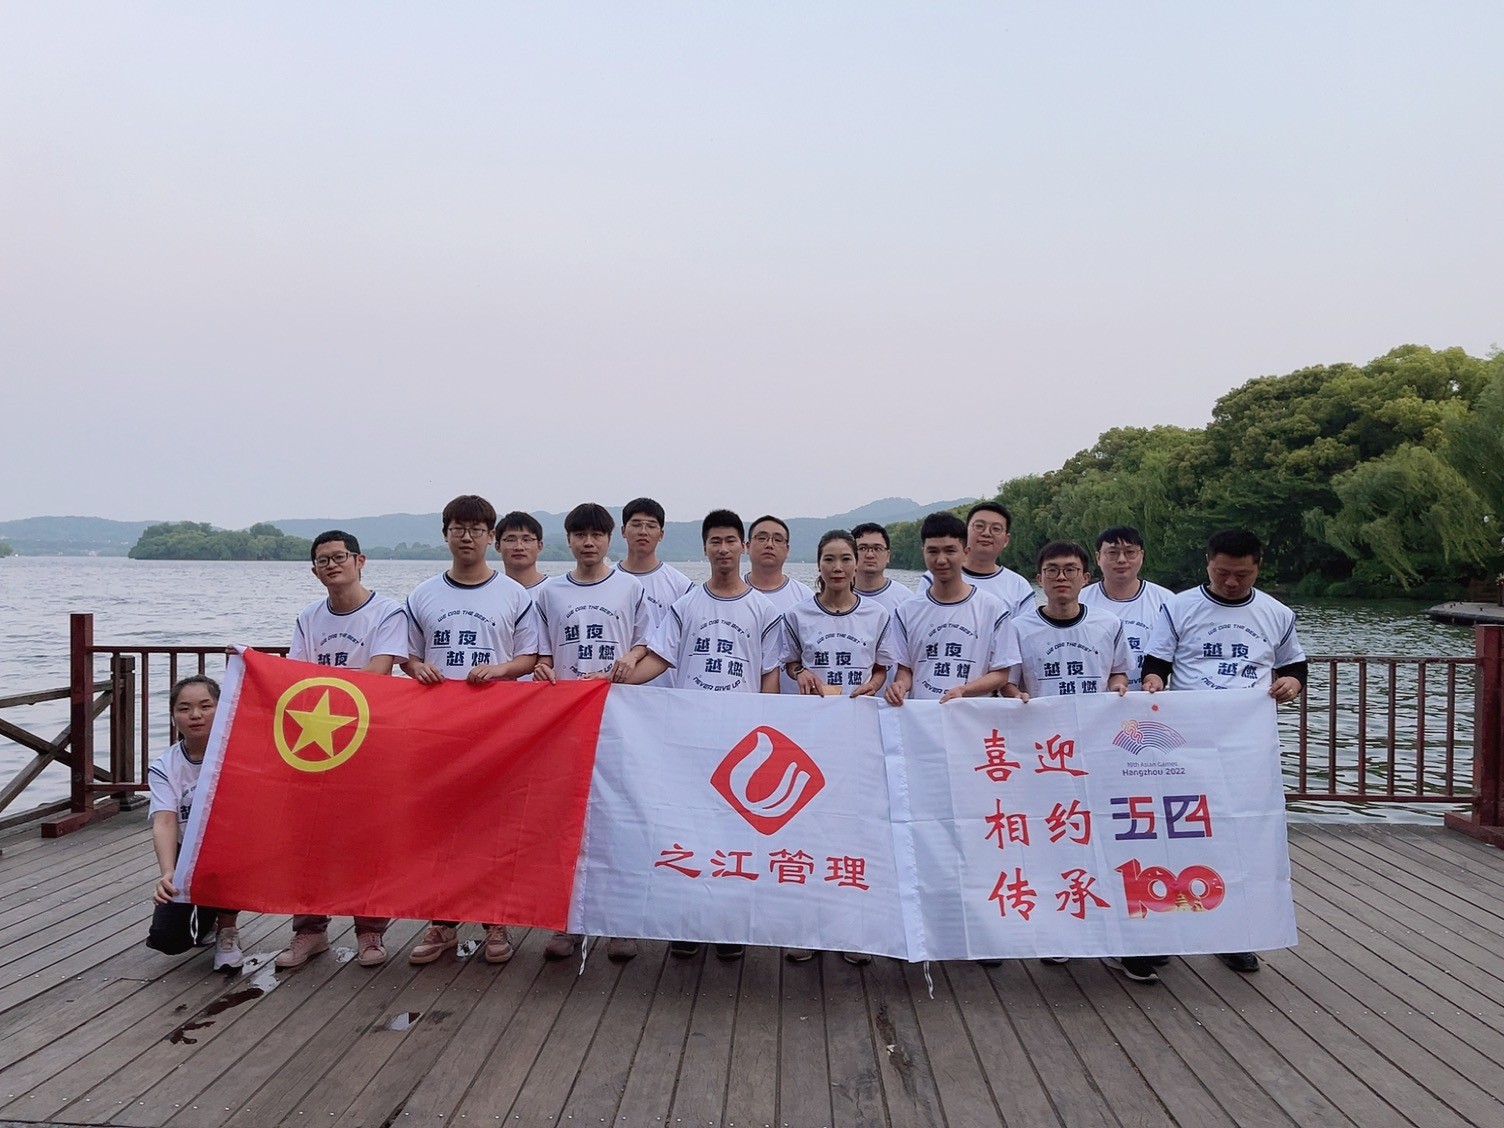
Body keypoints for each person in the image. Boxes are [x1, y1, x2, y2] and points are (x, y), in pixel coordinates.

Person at [1142, 527, 1308, 974]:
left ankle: (1235, 934)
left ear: (1258, 568)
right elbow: (1157, 662)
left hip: (1246, 746)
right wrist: (1153, 681)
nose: (1231, 582)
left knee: (1240, 837)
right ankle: (1163, 931)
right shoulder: (1179, 608)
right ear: (1208, 564)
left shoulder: (1276, 613)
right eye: (1221, 573)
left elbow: (1294, 665)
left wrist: (1292, 684)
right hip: (1185, 744)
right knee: (1177, 834)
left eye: (1242, 575)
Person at [627, 509, 783, 960]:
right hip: (691, 739)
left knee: (735, 834)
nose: (723, 549)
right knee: (689, 830)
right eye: (715, 541)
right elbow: (660, 659)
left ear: (743, 547)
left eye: (731, 540)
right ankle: (688, 921)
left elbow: (769, 675)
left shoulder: (764, 610)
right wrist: (609, 683)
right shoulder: (686, 605)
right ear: (705, 548)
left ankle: (729, 925)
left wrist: (766, 730)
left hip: (741, 743)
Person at [402, 494, 539, 966]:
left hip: (495, 726)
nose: (467, 537)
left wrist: (500, 670)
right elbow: (408, 653)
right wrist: (417, 667)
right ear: (445, 535)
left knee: (492, 825)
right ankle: (442, 922)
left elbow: (529, 657)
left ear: (490, 537)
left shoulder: (514, 595)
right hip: (438, 728)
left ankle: (494, 920)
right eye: (458, 528)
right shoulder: (423, 594)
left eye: (477, 529)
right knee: (441, 826)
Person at [1003, 542, 1145, 982]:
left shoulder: (1108, 624)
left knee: (1107, 841)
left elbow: (1119, 672)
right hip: (1044, 756)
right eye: (1052, 570)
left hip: (1097, 752)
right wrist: (1015, 695)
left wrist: (1118, 688)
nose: (1061, 578)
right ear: (1039, 578)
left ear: (1086, 577)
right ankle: (1060, 933)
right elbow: (1008, 683)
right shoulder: (1019, 627)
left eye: (1070, 570)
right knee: (1053, 843)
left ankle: (1119, 940)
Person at [276, 531, 410, 970]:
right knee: (310, 838)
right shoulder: (309, 617)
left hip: (370, 738)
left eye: (339, 557)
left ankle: (370, 930)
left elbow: (379, 670)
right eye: (323, 560)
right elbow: (297, 676)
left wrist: (329, 698)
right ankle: (309, 929)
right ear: (314, 570)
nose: (332, 565)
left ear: (359, 560)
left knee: (365, 837)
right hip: (318, 741)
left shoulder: (387, 611)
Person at [532, 502, 652, 962]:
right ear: (568, 540)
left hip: (618, 717)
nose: (588, 543)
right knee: (569, 821)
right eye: (580, 535)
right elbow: (541, 651)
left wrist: (632, 657)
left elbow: (648, 640)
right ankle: (568, 923)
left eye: (596, 535)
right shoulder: (550, 592)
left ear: (609, 539)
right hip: (567, 719)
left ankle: (618, 922)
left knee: (617, 817)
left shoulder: (630, 588)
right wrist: (544, 668)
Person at [780, 529, 895, 965]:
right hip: (812, 734)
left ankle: (854, 931)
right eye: (829, 559)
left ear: (857, 562)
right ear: (818, 564)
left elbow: (883, 667)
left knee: (856, 830)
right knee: (810, 828)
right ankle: (808, 928)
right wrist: (801, 674)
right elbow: (789, 661)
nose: (838, 568)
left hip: (859, 732)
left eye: (846, 558)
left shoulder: (878, 614)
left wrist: (873, 685)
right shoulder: (798, 614)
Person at [147, 675, 241, 971]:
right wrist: (168, 872)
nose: (195, 715)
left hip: (232, 848)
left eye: (205, 706)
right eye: (184, 708)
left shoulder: (239, 754)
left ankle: (227, 929)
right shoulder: (165, 766)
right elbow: (164, 821)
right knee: (168, 939)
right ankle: (207, 920)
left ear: (222, 709)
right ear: (173, 716)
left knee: (228, 850)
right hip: (188, 852)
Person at [885, 512, 1020, 705]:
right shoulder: (907, 611)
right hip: (923, 715)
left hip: (973, 715)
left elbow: (1001, 674)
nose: (941, 560)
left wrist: (964, 690)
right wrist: (899, 685)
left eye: (950, 551)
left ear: (966, 552)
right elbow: (905, 669)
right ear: (923, 552)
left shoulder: (992, 608)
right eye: (933, 551)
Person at [1079, 526, 1173, 691]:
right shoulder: (1080, 601)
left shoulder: (1167, 601)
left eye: (1130, 552)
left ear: (1141, 556)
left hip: (1150, 699)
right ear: (1098, 557)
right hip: (1096, 700)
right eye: (1113, 553)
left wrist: (1156, 678)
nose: (1122, 560)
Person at [618, 497, 694, 686]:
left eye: (651, 526)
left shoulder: (681, 585)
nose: (643, 532)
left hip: (665, 688)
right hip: (614, 685)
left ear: (661, 534)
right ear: (623, 531)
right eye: (636, 524)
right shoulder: (608, 580)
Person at [918, 502, 1037, 620]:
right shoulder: (934, 577)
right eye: (979, 526)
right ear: (966, 532)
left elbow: (1025, 629)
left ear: (1006, 540)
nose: (986, 533)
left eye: (996, 529)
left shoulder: (1019, 586)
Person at [745, 514, 815, 693]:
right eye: (762, 538)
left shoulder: (805, 597)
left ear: (787, 549)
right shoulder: (734, 594)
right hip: (746, 697)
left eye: (777, 539)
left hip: (795, 697)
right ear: (747, 546)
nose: (769, 544)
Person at [851, 522, 912, 612]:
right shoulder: (836, 596)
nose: (870, 555)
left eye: (877, 549)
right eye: (862, 548)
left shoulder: (906, 599)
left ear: (888, 555)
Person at [496, 510, 550, 595]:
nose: (519, 547)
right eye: (511, 540)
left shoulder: (553, 589)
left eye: (527, 540)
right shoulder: (491, 590)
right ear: (497, 546)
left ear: (540, 546)